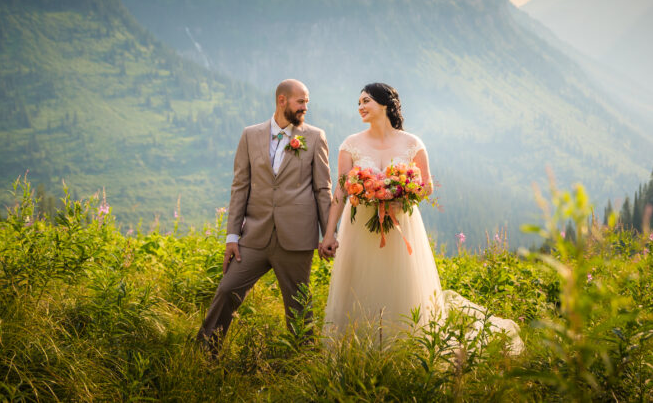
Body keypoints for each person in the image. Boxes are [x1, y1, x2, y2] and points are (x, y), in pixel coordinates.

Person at [321, 83, 522, 353]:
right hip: (359, 227)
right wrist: (329, 233)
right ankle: (356, 349)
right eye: (358, 102)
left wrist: (402, 193)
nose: (360, 107)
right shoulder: (350, 144)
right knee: (359, 283)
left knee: (399, 282)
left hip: (401, 224)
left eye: (366, 101)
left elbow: (427, 186)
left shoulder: (412, 143)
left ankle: (404, 347)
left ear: (384, 105)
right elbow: (341, 190)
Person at [198, 79, 332, 354]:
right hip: (254, 236)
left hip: (297, 238)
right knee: (227, 291)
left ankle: (301, 365)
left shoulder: (315, 137)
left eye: (307, 101)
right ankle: (203, 355)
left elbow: (322, 189)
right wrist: (232, 236)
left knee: (298, 307)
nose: (305, 106)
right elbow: (240, 186)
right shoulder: (250, 135)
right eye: (301, 101)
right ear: (282, 100)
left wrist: (328, 234)